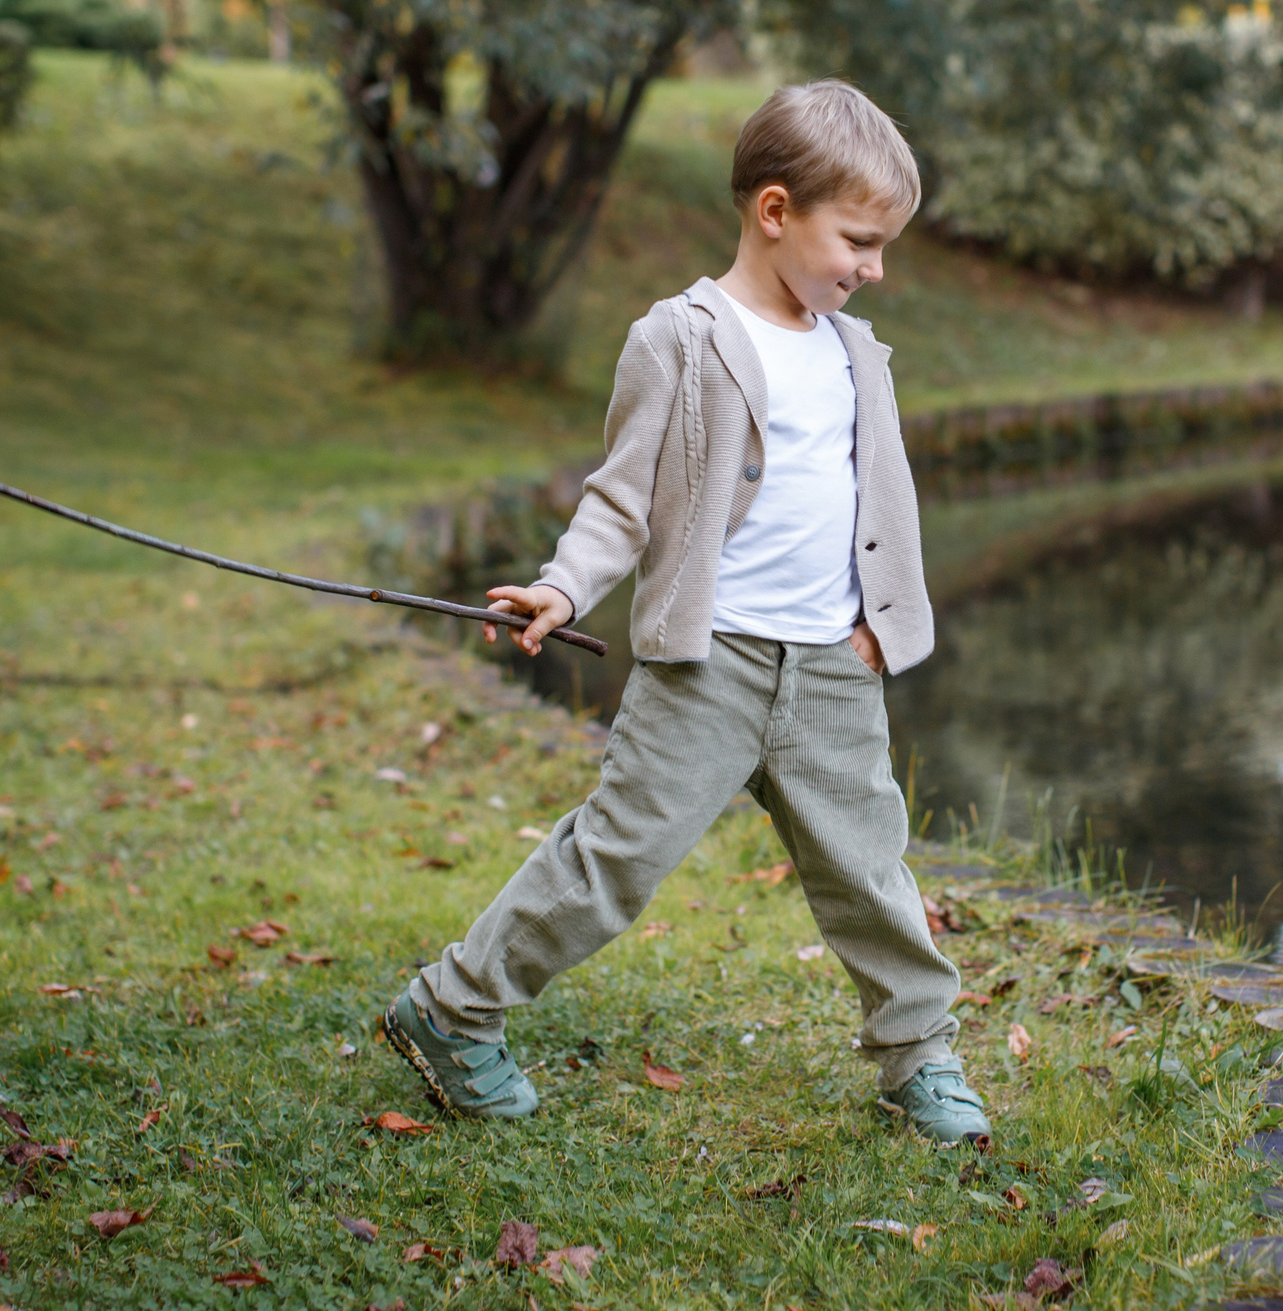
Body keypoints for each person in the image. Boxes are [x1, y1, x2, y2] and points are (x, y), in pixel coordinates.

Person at [380, 80, 988, 1146]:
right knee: (614, 857)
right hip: (709, 664)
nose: (874, 268)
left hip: (831, 667)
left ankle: (920, 1056)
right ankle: (453, 1007)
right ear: (775, 211)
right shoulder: (678, 338)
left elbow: (875, 503)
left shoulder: (857, 354)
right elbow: (622, 498)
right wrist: (564, 586)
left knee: (869, 870)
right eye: (859, 241)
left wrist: (878, 626)